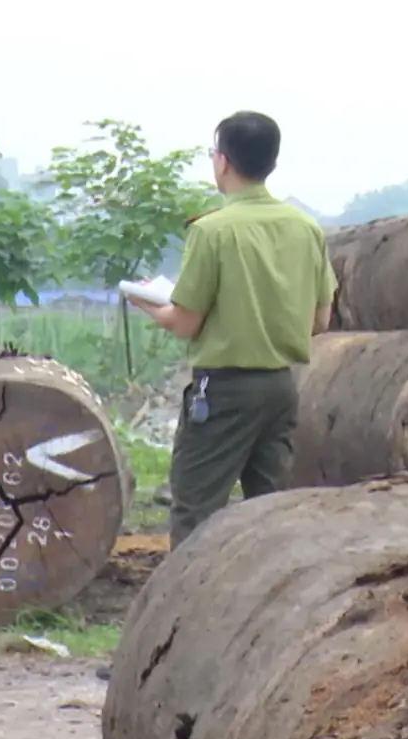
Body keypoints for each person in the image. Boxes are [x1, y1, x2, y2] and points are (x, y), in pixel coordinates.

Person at [125, 110, 338, 548]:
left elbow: (185, 321)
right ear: (271, 164)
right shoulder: (307, 229)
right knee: (272, 507)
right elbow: (320, 321)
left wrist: (146, 304)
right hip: (282, 388)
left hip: (222, 392)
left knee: (196, 509)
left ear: (222, 161)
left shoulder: (212, 231)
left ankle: (188, 605)